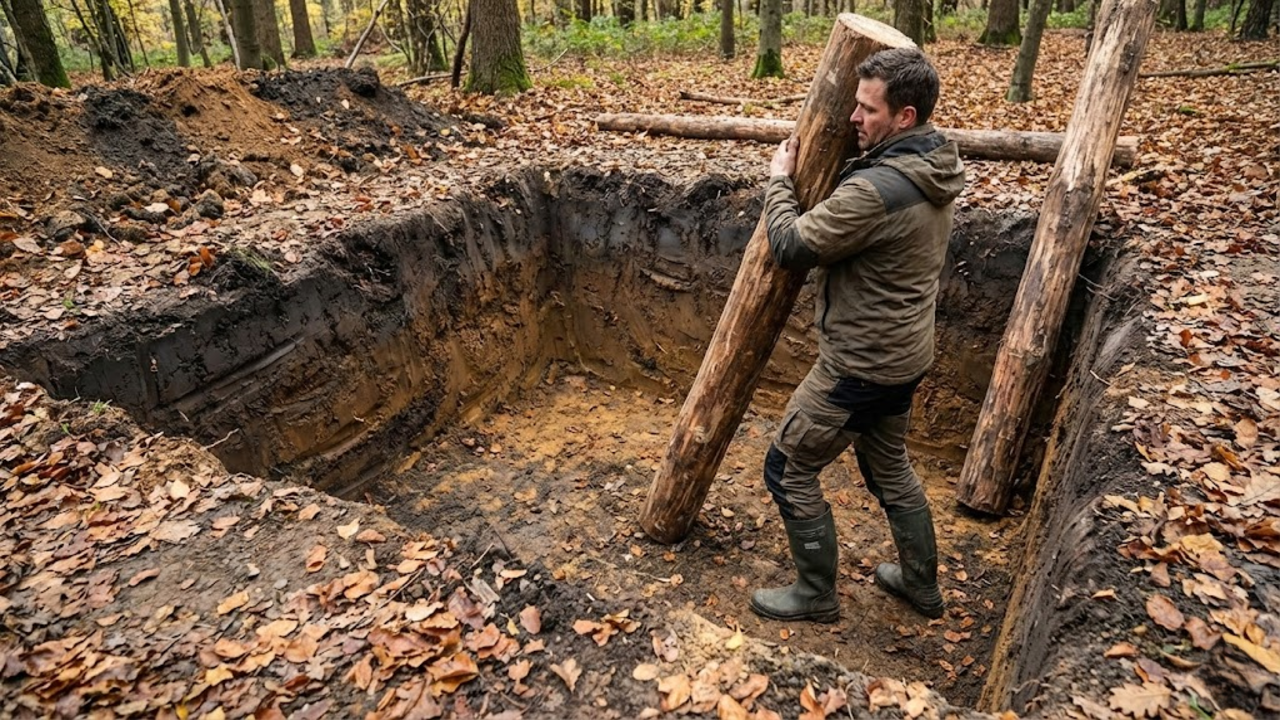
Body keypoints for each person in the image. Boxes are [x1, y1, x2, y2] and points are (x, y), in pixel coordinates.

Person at [750, 47, 965, 623]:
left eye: (868, 110)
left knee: (787, 468)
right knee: (889, 467)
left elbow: (793, 245)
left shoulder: (877, 193)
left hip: (860, 366)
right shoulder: (933, 164)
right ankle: (921, 585)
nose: (853, 117)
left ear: (906, 118)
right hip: (905, 354)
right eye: (855, 104)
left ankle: (816, 593)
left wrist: (779, 183)